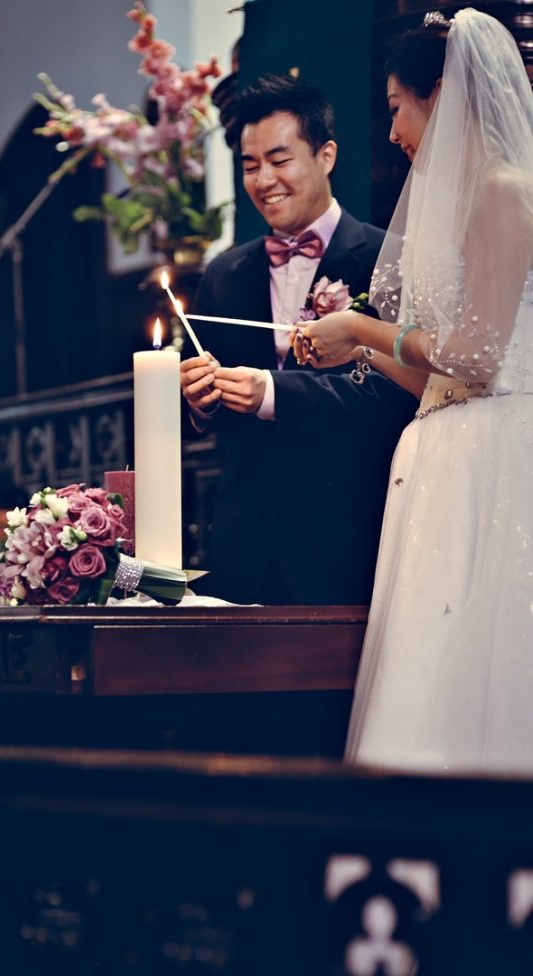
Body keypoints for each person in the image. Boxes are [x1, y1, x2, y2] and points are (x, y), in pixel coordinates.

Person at [292, 9, 533, 772]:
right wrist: (345, 350)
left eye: (397, 106)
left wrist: (361, 331)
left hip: (495, 451)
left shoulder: (503, 189)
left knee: (485, 667)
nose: (392, 130)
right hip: (440, 452)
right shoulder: (454, 206)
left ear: (442, 95)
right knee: (432, 661)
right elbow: (434, 373)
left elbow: (480, 358)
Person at [181, 74, 417, 605]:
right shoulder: (223, 275)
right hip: (245, 548)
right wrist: (194, 401)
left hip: (352, 539)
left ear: (326, 155)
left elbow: (404, 395)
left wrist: (272, 394)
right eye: (249, 165)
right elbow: (188, 409)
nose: (264, 180)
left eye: (280, 160)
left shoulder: (389, 260)